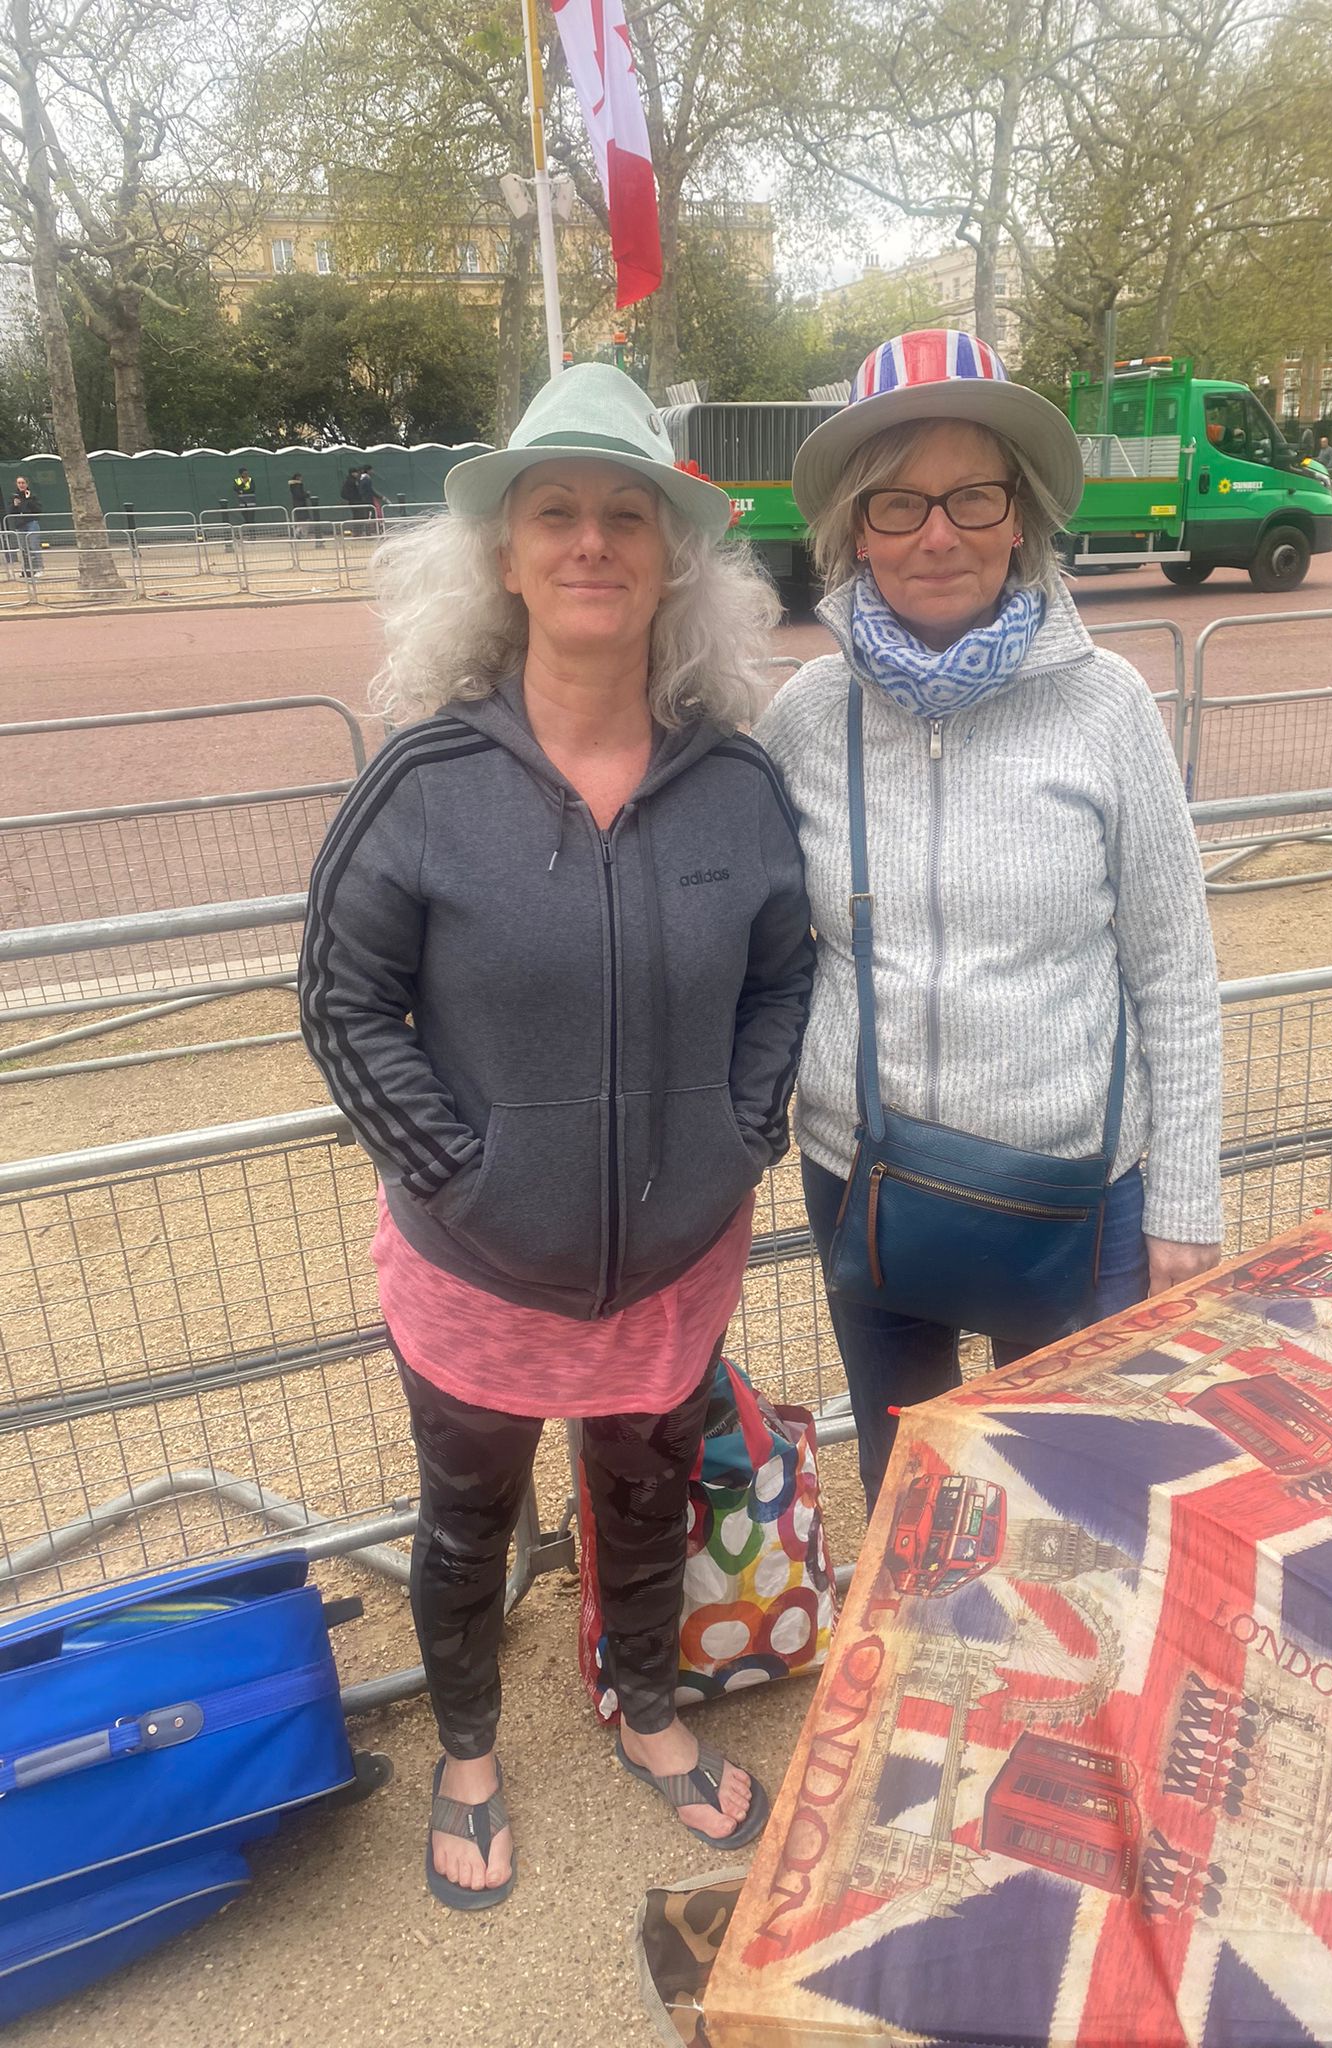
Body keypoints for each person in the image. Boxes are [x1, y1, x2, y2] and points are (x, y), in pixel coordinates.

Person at [298, 363, 813, 1909]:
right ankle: (467, 1744)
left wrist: (741, 1131)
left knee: (647, 1496)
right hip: (477, 1271)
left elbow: (784, 972)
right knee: (468, 1515)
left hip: (673, 1256)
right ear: (508, 558)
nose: (592, 542)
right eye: (556, 515)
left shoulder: (735, 784)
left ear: (673, 558)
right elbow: (342, 999)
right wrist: (459, 1170)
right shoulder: (426, 781)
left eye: (625, 517)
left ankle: (648, 1711)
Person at [755, 329, 1224, 1509]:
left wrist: (1187, 1203)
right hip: (865, 1175)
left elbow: (1174, 968)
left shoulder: (1108, 705)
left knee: (1078, 1484)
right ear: (855, 529)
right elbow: (759, 953)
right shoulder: (803, 718)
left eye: (972, 495)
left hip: (1078, 1188)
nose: (938, 533)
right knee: (914, 1485)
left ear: (1018, 515)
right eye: (899, 503)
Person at [9, 476, 41, 577]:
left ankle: (38, 569)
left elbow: (37, 510)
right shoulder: (14, 497)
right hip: (20, 524)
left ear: (27, 484)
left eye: (23, 483)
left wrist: (29, 499)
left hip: (31, 523)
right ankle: (26, 570)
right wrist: (14, 505)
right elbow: (10, 512)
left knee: (33, 546)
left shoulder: (33, 496)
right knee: (23, 549)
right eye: (19, 483)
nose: (21, 485)